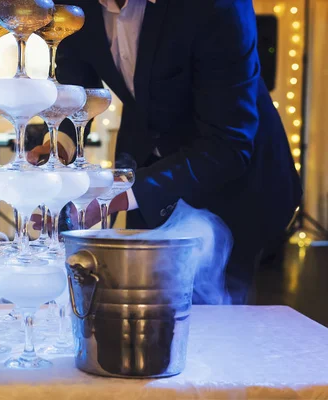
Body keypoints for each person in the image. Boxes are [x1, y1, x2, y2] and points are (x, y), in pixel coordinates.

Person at [30, 0, 302, 304]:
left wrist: (113, 195)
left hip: (238, 182)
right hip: (146, 168)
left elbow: (228, 145)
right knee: (140, 308)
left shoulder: (218, 6)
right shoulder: (76, 6)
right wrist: (60, 148)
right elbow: (77, 80)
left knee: (215, 319)